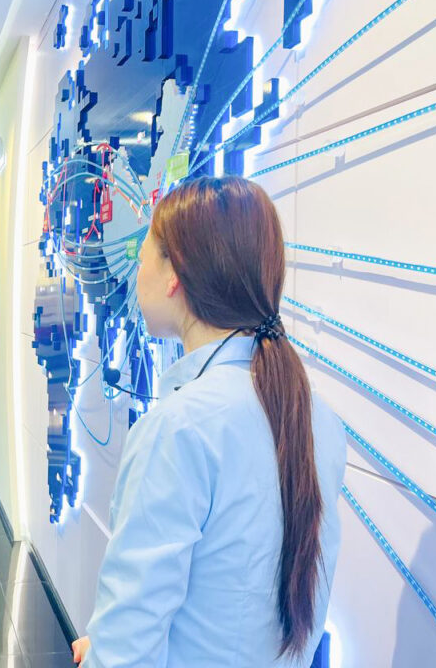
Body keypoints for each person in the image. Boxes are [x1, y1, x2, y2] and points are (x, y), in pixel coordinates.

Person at [72, 176, 346, 667]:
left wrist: (106, 648)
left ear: (174, 273)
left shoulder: (179, 428)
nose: (137, 273)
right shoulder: (318, 419)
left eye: (143, 257)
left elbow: (125, 654)